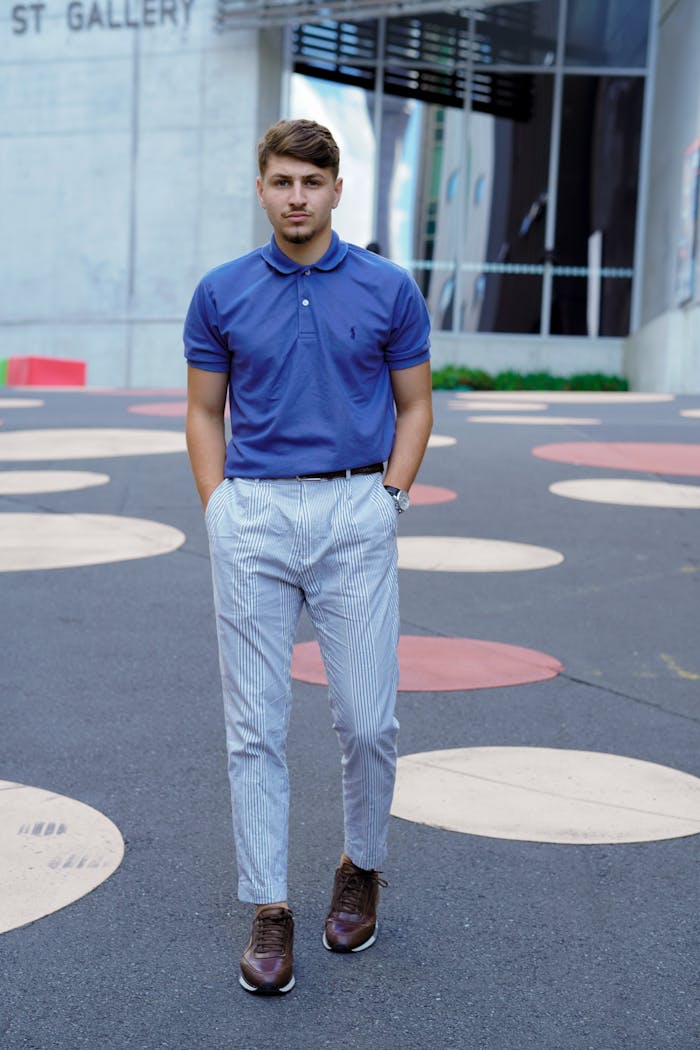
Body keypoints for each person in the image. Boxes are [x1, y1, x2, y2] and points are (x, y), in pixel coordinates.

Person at [183, 118, 432, 995]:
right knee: (255, 726)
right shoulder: (220, 292)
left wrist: (388, 498)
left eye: (311, 183)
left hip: (353, 511)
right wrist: (219, 509)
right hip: (251, 515)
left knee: (369, 720)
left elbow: (414, 407)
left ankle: (361, 864)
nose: (297, 197)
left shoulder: (387, 288)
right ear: (262, 188)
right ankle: (270, 910)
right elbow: (205, 411)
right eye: (282, 181)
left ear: (335, 191)